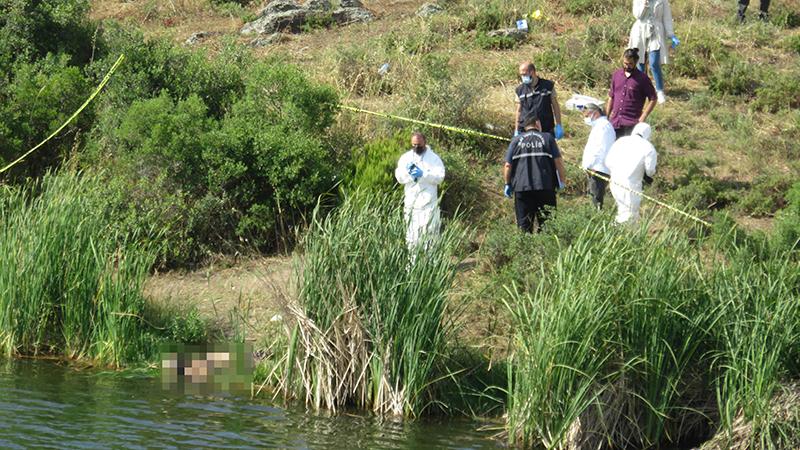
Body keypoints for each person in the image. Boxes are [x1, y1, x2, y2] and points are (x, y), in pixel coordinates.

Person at [503, 115, 567, 233]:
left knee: (524, 227)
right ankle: (546, 250)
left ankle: (525, 250)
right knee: (548, 225)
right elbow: (558, 161)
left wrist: (507, 184)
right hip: (545, 186)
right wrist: (562, 181)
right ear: (537, 123)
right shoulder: (548, 138)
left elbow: (508, 165)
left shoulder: (516, 140)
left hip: (522, 188)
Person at [394, 132, 446, 249]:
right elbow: (399, 177)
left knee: (430, 235)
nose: (416, 148)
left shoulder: (434, 159)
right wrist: (410, 174)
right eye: (414, 145)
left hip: (428, 204)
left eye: (419, 145)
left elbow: (439, 177)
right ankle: (412, 265)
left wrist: (423, 175)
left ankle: (430, 265)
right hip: (411, 204)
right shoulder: (406, 158)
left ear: (425, 142)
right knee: (412, 237)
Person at [604, 122, 657, 224]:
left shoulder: (621, 141)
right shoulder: (649, 147)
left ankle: (613, 232)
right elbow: (650, 171)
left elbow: (608, 161)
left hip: (614, 180)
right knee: (629, 215)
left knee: (621, 210)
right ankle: (620, 236)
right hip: (631, 185)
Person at [628, 0, 679, 104]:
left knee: (654, 62)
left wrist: (671, 34)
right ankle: (642, 89)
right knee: (640, 61)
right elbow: (637, 15)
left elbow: (667, 18)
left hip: (656, 31)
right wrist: (644, 4)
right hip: (640, 30)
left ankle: (659, 90)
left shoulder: (663, 1)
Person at [606, 48, 657, 140]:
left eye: (630, 64)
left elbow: (653, 99)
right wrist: (607, 115)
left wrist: (643, 116)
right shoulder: (616, 75)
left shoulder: (643, 79)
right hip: (615, 122)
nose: (627, 66)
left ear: (636, 62)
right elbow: (611, 97)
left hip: (631, 124)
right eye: (625, 63)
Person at [514, 62, 564, 140]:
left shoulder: (548, 86)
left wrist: (558, 125)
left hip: (546, 127)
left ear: (532, 72)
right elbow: (519, 111)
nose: (522, 77)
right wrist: (516, 130)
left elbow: (555, 106)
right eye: (521, 75)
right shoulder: (520, 90)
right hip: (527, 129)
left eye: (524, 74)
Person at [580, 103, 616, 209]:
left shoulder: (603, 126)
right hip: (595, 167)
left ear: (595, 113)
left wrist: (591, 165)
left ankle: (597, 220)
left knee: (596, 200)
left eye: (587, 115)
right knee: (593, 197)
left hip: (597, 168)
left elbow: (600, 148)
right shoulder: (600, 126)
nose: (586, 119)